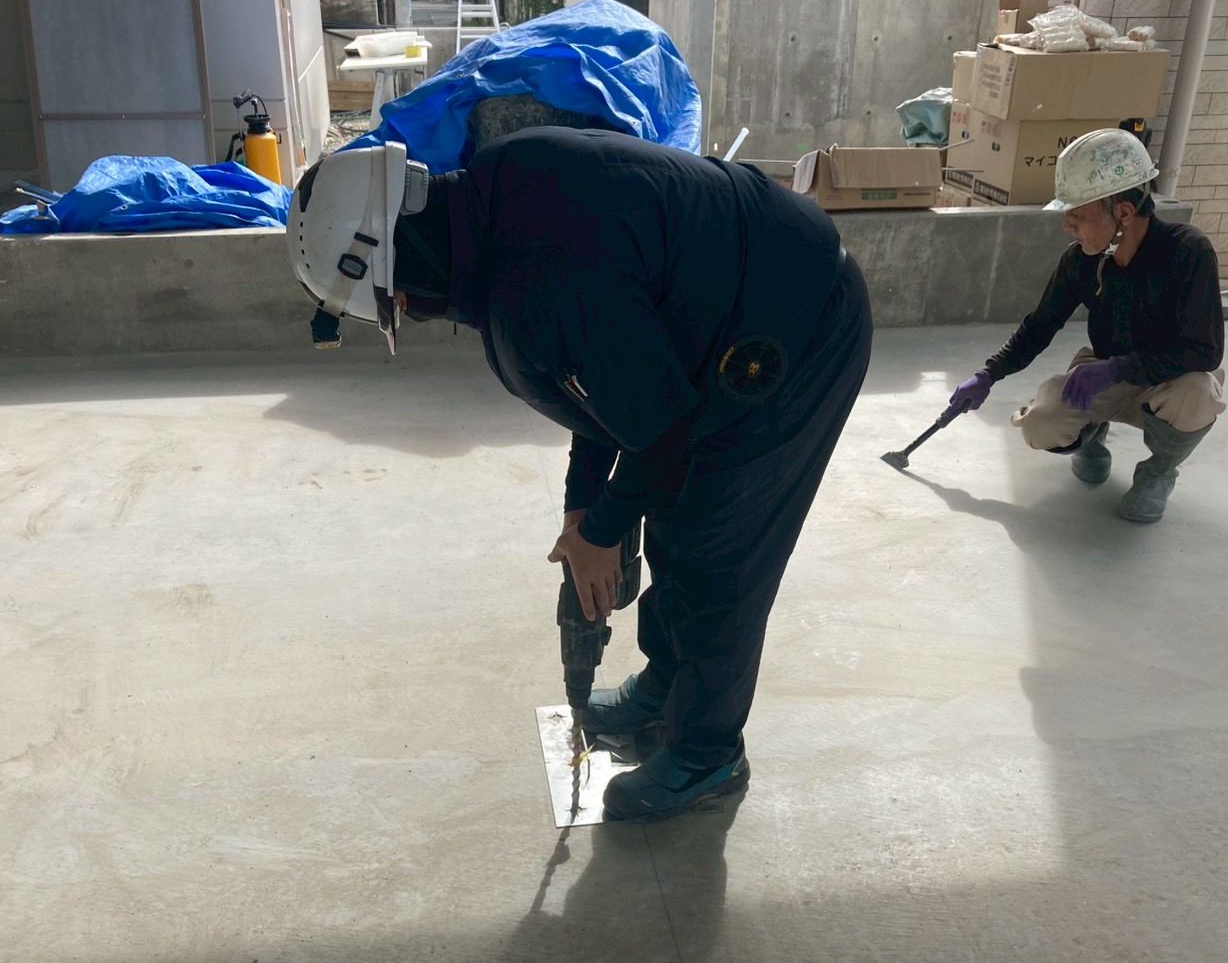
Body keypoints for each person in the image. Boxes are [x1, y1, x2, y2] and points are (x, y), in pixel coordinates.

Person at [288, 128, 872, 821]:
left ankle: (708, 754)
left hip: (800, 322)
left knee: (717, 548)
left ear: (396, 247)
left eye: (397, 299)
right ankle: (665, 685)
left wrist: (600, 533)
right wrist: (583, 511)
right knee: (671, 515)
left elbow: (662, 430)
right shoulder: (498, 198)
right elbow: (603, 393)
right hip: (731, 305)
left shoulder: (539, 276)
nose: (411, 310)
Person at [948, 129, 1225, 523]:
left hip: (1168, 381)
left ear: (1123, 213)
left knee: (1199, 393)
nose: (1067, 225)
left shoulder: (1187, 252)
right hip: (1103, 373)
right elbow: (1040, 326)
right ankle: (1091, 437)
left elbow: (1204, 351)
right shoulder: (1081, 261)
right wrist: (988, 375)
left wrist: (1117, 368)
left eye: (1077, 214)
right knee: (1040, 424)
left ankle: (1158, 473)